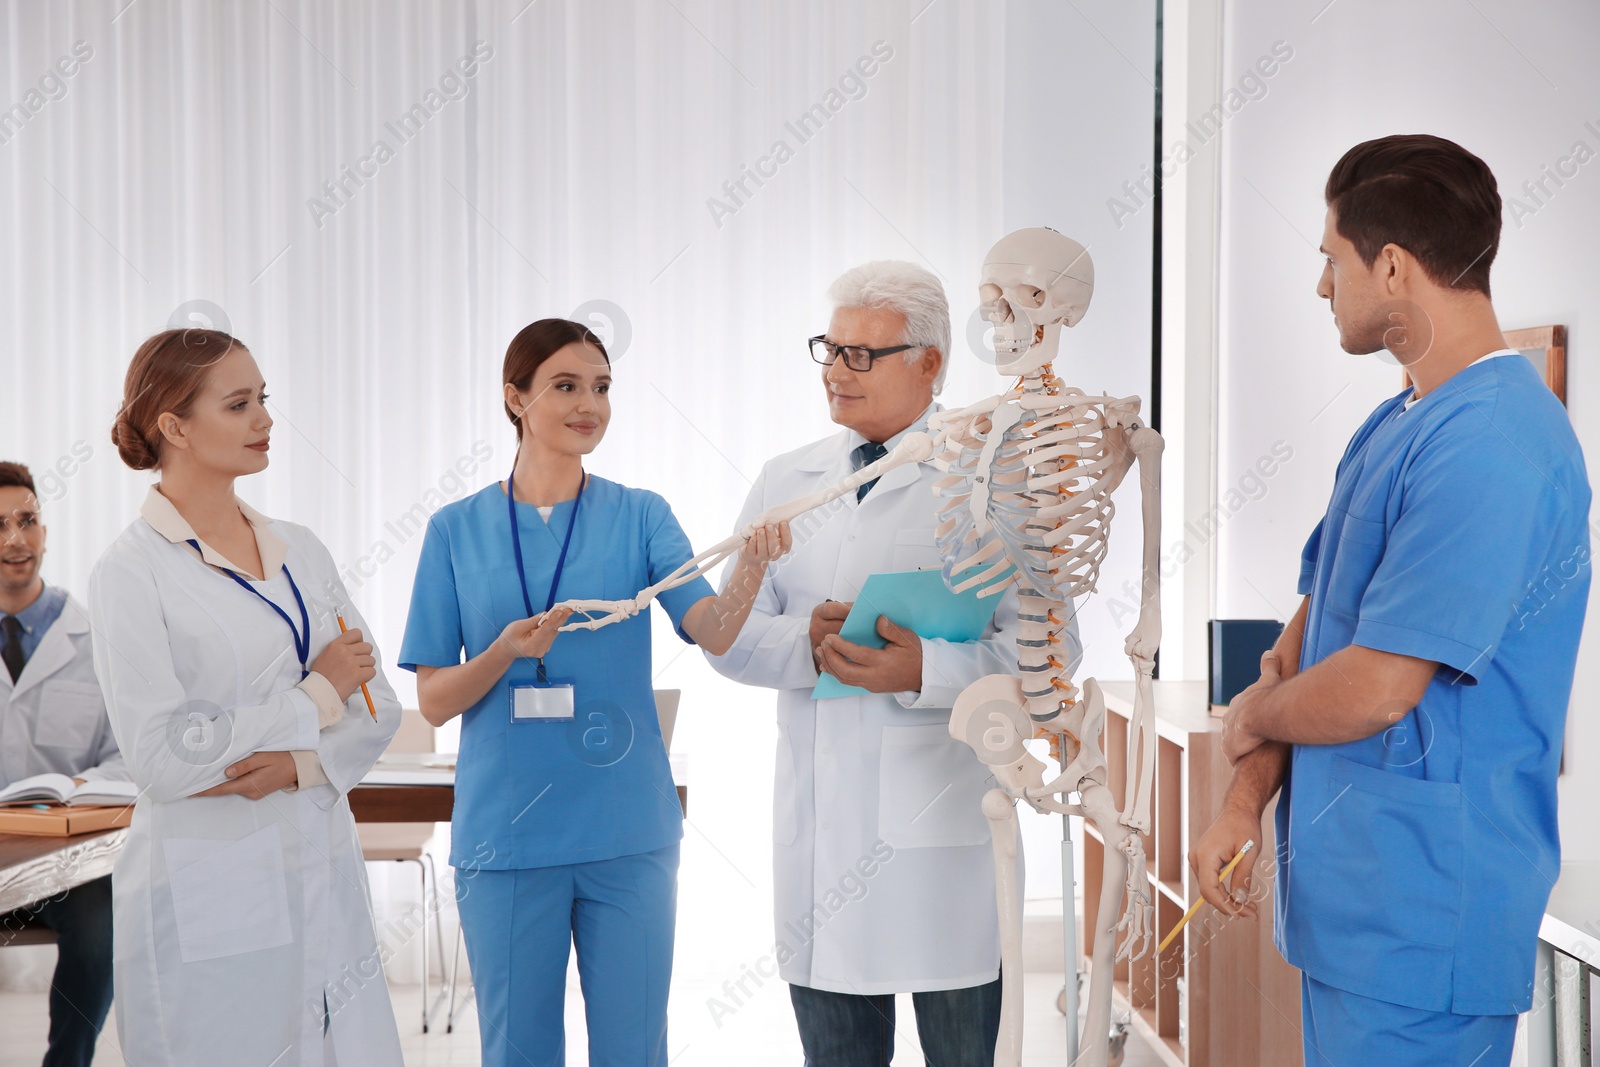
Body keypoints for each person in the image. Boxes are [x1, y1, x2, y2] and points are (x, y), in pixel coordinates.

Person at [1191, 135, 1591, 1067]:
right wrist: (1244, 804)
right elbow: (1308, 642)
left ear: (1394, 266)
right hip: (1356, 913)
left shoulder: (1493, 444)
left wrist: (1248, 715)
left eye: (1331, 259)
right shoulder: (1403, 419)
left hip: (1426, 919)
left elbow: (1374, 687)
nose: (1322, 286)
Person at [399, 317, 789, 1067]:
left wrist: (752, 568)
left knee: (634, 1050)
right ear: (515, 398)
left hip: (627, 831)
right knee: (519, 1051)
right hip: (507, 839)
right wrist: (504, 652)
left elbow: (711, 629)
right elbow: (436, 699)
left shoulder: (641, 515)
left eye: (602, 387)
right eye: (567, 385)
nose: (591, 404)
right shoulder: (455, 529)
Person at [707, 261, 1051, 1067]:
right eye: (830, 348)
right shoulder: (785, 480)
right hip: (823, 846)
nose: (835, 370)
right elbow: (728, 637)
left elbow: (1041, 661)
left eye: (861, 354)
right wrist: (805, 641)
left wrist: (922, 668)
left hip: (945, 846)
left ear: (929, 362)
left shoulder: (991, 481)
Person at [88, 328, 404, 1066]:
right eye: (238, 404)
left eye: (263, 399)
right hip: (209, 888)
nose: (264, 419)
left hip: (320, 859)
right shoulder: (131, 572)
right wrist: (314, 695)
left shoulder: (301, 549)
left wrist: (301, 764)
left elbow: (378, 703)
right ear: (174, 426)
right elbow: (162, 759)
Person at [0, 461, 122, 1067]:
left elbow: (126, 755)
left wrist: (78, 786)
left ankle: (67, 1062)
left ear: (44, 531)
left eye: (27, 521)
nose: (14, 540)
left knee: (101, 925)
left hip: (68, 863)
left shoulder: (95, 641)